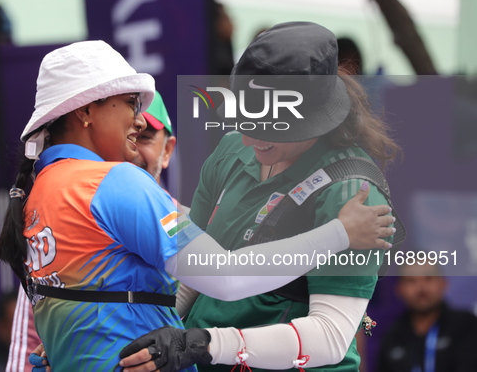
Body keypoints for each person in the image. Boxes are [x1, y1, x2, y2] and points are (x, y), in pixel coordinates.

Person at [0, 39, 394, 371]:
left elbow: (331, 337)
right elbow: (226, 276)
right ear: (84, 111)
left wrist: (192, 342)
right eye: (131, 102)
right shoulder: (116, 182)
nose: (138, 118)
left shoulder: (40, 187)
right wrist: (339, 234)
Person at [119, 21, 401, 372]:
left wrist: (206, 344)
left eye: (268, 130)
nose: (250, 140)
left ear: (316, 120)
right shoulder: (232, 148)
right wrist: (131, 345)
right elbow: (196, 276)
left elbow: (330, 338)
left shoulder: (354, 197)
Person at [5, 91, 178, 372]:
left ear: (167, 150)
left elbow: (222, 307)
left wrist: (188, 346)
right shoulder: (80, 196)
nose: (138, 125)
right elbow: (27, 345)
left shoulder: (43, 196)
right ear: (85, 113)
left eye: (147, 138)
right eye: (130, 106)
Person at [377, 261, 477, 372]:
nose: (421, 288)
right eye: (412, 281)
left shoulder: (466, 325)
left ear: (443, 283)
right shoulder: (392, 335)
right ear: (399, 289)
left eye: (428, 278)